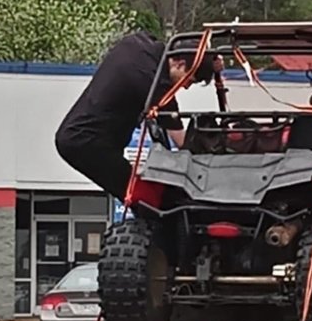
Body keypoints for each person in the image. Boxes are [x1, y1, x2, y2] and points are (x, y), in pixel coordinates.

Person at [54, 30, 219, 199]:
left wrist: (209, 60)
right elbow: (181, 140)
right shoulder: (154, 85)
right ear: (179, 64)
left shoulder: (139, 43)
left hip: (76, 133)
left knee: (141, 192)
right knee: (148, 198)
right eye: (189, 80)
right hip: (86, 143)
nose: (185, 87)